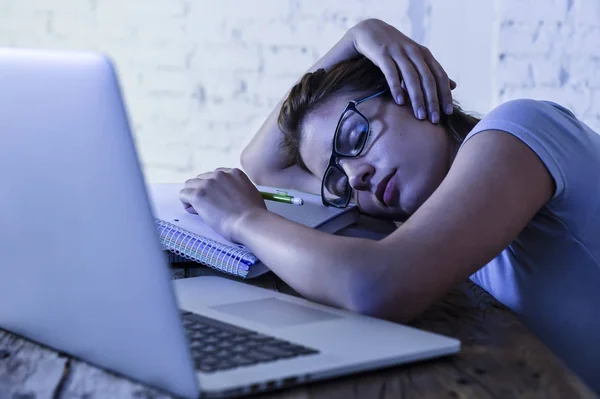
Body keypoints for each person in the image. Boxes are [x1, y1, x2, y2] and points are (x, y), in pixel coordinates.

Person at [179, 19, 600, 392]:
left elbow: (377, 286)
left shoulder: (520, 130)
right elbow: (264, 164)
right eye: (338, 178)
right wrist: (354, 37)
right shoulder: (426, 209)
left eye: (352, 138)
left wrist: (242, 218)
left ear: (412, 88)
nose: (355, 176)